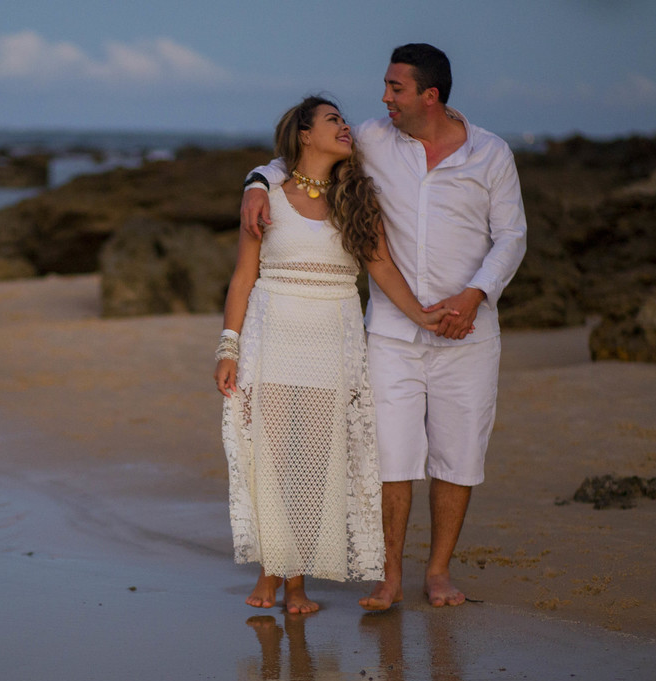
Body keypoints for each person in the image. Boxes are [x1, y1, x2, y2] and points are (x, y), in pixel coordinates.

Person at [240, 44, 527, 610]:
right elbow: (298, 158)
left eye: (396, 88)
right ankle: (390, 576)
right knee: (391, 456)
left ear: (430, 95)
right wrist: (256, 180)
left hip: (468, 330)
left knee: (458, 453)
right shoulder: (371, 137)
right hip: (392, 330)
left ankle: (438, 573)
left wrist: (475, 296)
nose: (383, 97)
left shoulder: (491, 154)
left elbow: (512, 236)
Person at [215, 96, 455, 614]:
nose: (345, 127)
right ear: (304, 134)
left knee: (315, 464)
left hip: (333, 344)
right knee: (272, 461)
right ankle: (271, 573)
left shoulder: (356, 200)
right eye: (333, 121)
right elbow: (242, 277)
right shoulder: (266, 198)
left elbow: (384, 269)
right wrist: (228, 346)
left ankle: (298, 585)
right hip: (273, 337)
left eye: (345, 121)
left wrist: (423, 315)